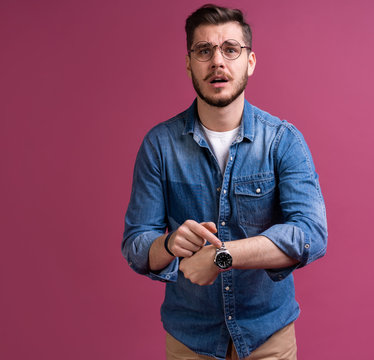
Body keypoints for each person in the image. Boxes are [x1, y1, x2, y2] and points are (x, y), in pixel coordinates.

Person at [122, 4, 328, 359]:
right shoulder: (159, 145)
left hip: (268, 339)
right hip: (191, 341)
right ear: (189, 63)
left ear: (249, 62)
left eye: (230, 49)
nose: (217, 61)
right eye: (204, 51)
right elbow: (137, 246)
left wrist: (222, 256)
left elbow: (311, 234)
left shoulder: (283, 140)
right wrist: (170, 244)